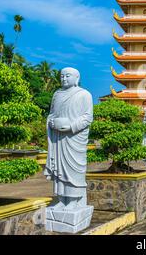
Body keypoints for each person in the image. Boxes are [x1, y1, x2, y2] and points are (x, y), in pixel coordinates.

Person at [44, 67, 93, 211]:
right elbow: (51, 114)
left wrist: (71, 126)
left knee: (73, 170)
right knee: (59, 170)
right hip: (58, 139)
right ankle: (61, 198)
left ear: (77, 78)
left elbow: (87, 117)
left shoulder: (84, 94)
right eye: (62, 76)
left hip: (74, 139)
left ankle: (74, 200)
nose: (64, 79)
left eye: (68, 76)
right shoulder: (56, 94)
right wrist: (51, 122)